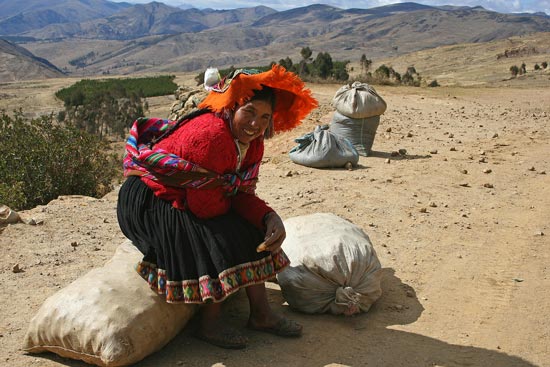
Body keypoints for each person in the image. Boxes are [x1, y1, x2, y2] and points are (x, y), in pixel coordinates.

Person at [117, 65, 318, 349]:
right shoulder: (211, 138)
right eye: (249, 112)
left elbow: (242, 192)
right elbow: (206, 209)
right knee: (216, 239)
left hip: (194, 195)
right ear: (232, 106)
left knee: (251, 229)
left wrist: (267, 216)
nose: (256, 124)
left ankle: (261, 315)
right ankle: (209, 324)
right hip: (150, 198)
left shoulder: (253, 142)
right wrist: (244, 221)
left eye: (264, 117)